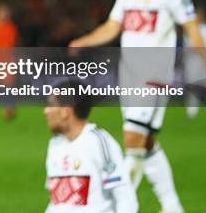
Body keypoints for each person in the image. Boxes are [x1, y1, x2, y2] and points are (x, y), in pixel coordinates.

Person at [69, 0, 206, 213]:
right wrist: (84, 41)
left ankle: (116, 207)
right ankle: (172, 205)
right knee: (145, 142)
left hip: (154, 74)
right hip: (130, 73)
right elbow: (113, 26)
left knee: (133, 140)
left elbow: (192, 29)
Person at [44, 81, 138, 213]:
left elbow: (124, 196)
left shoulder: (98, 142)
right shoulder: (55, 144)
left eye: (52, 105)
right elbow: (58, 202)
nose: (46, 111)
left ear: (66, 111)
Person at [183, 6, 206, 118]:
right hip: (192, 62)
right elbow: (187, 47)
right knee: (193, 86)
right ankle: (192, 110)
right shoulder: (190, 30)